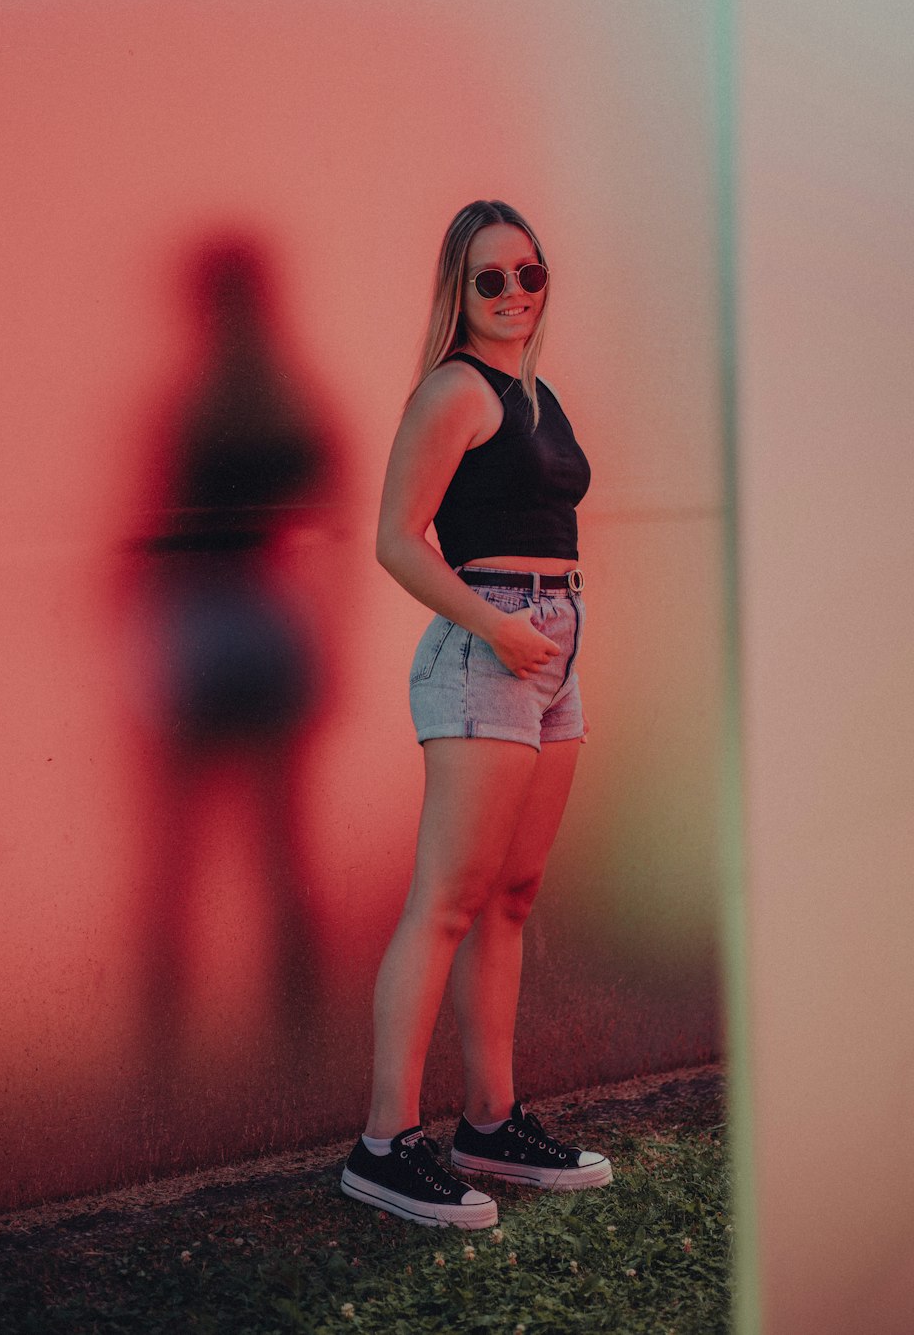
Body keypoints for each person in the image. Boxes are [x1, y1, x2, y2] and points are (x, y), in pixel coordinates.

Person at [340, 200, 611, 1229]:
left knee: (513, 895)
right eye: (490, 278)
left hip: (552, 645)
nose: (513, 294)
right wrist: (495, 629)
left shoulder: (533, 392)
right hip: (487, 645)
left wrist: (538, 635)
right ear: (460, 288)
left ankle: (488, 1124)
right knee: (446, 900)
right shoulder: (455, 387)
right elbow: (397, 538)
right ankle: (383, 1143)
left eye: (528, 273)